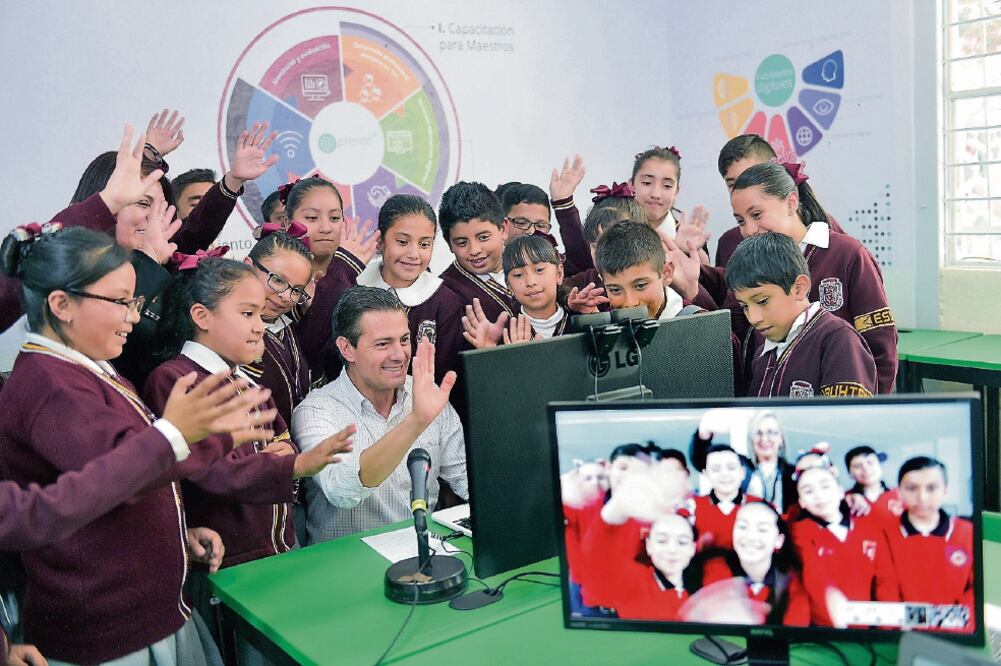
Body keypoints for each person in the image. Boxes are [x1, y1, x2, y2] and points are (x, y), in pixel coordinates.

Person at [0, 227, 274, 665]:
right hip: (107, 632)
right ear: (61, 305)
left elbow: (126, 481)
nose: (134, 316)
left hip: (146, 613)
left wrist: (173, 535)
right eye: (121, 302)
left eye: (135, 302)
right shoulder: (51, 385)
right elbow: (115, 478)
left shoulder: (91, 370)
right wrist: (180, 435)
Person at [290, 287, 467, 543]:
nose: (399, 355)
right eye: (383, 344)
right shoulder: (316, 411)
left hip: (426, 552)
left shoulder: (425, 392)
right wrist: (416, 422)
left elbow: (466, 480)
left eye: (404, 340)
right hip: (346, 568)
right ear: (346, 349)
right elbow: (342, 491)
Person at [726, 233, 878, 398]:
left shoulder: (838, 340)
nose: (754, 318)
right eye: (744, 306)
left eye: (762, 301)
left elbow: (847, 419)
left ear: (799, 287)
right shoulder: (763, 355)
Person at [355, 194, 464, 382]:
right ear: (380, 241)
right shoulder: (354, 287)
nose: (414, 254)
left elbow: (445, 372)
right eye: (403, 242)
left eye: (424, 244)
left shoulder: (444, 301)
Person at [789, 447, 899, 627]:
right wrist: (833, 600)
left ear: (841, 492)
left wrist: (887, 628)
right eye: (808, 491)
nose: (819, 495)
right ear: (801, 501)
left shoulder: (869, 528)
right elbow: (813, 571)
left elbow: (886, 580)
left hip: (868, 628)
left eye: (825, 486)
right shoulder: (801, 530)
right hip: (825, 628)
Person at [280, 176, 379, 373]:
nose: (326, 228)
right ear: (286, 222)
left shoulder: (356, 281)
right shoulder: (275, 284)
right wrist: (341, 270)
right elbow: (303, 356)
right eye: (312, 218)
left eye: (334, 218)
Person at [714, 135, 845, 267]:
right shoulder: (729, 242)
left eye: (753, 176)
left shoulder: (826, 232)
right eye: (732, 184)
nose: (743, 188)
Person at [884, 457, 974, 631]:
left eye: (932, 488)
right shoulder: (885, 534)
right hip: (902, 634)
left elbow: (975, 592)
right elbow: (886, 591)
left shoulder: (967, 532)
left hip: (957, 633)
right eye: (911, 488)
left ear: (945, 490)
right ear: (899, 491)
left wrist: (948, 625)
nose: (922, 497)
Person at [700, 501, 810, 625]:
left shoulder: (791, 581)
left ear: (779, 540)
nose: (750, 536)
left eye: (762, 529)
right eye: (742, 527)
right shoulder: (716, 568)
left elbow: (796, 630)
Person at [438, 182, 516, 323]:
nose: (474, 250)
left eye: (483, 237)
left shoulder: (528, 263)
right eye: (462, 243)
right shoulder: (446, 294)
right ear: (449, 243)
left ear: (503, 229)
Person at [594, 222, 695, 320]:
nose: (630, 303)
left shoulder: (698, 324)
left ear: (666, 274)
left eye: (640, 286)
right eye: (615, 290)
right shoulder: (607, 322)